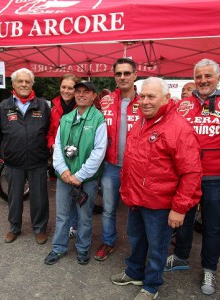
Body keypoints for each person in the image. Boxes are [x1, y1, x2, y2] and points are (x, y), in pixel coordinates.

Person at [111, 77, 202, 300]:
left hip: (160, 204)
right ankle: (135, 272)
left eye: (151, 96)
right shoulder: (142, 121)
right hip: (137, 199)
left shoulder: (178, 127)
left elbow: (191, 173)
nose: (144, 101)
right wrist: (128, 192)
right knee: (136, 238)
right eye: (142, 96)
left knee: (157, 247)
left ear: (167, 98)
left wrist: (179, 208)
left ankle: (151, 286)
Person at [166, 58, 220, 295]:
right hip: (186, 177)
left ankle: (209, 268)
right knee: (184, 220)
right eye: (199, 76)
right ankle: (181, 256)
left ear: (218, 78)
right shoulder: (181, 105)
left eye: (208, 76)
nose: (203, 80)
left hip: (215, 178)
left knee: (212, 227)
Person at [44, 81, 107, 265]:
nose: (80, 95)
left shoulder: (98, 119)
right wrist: (63, 170)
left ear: (94, 95)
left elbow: (99, 152)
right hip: (64, 176)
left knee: (84, 217)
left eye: (85, 92)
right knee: (62, 215)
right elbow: (57, 148)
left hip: (86, 179)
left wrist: (79, 176)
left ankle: (83, 248)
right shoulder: (66, 118)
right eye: (77, 91)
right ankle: (58, 248)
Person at [0, 68, 51, 245]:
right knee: (14, 197)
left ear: (32, 83)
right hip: (14, 161)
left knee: (39, 197)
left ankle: (40, 229)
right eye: (20, 81)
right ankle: (14, 228)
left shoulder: (43, 106)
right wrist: (7, 153)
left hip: (38, 160)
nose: (24, 84)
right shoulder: (3, 107)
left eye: (27, 81)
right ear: (14, 84)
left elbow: (49, 130)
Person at [94, 57, 141, 261]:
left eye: (126, 73)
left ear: (135, 75)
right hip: (111, 166)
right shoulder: (105, 101)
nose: (122, 77)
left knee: (136, 211)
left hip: (136, 168)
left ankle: (137, 250)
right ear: (114, 76)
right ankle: (108, 242)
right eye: (118, 74)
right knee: (108, 209)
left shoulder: (145, 100)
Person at [46, 73, 81, 238]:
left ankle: (75, 225)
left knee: (77, 194)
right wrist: (52, 144)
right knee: (64, 194)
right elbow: (50, 132)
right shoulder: (54, 108)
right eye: (64, 87)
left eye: (71, 88)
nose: (67, 91)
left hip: (79, 158)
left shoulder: (83, 106)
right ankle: (66, 227)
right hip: (60, 157)